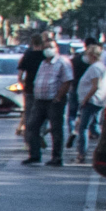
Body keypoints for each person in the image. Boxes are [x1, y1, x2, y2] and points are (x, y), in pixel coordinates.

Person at [28, 38, 72, 166]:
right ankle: (34, 155)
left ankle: (57, 157)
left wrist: (58, 97)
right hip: (40, 101)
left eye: (50, 46)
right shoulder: (43, 63)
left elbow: (67, 81)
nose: (48, 49)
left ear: (56, 48)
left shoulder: (62, 62)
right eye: (45, 47)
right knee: (32, 126)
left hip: (54, 101)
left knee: (56, 129)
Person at [76, 46, 106, 166]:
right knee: (95, 127)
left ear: (93, 56)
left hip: (92, 101)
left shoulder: (95, 68)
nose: (86, 57)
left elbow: (95, 85)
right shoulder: (101, 67)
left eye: (88, 54)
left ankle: (81, 154)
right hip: (98, 101)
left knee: (83, 127)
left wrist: (86, 99)